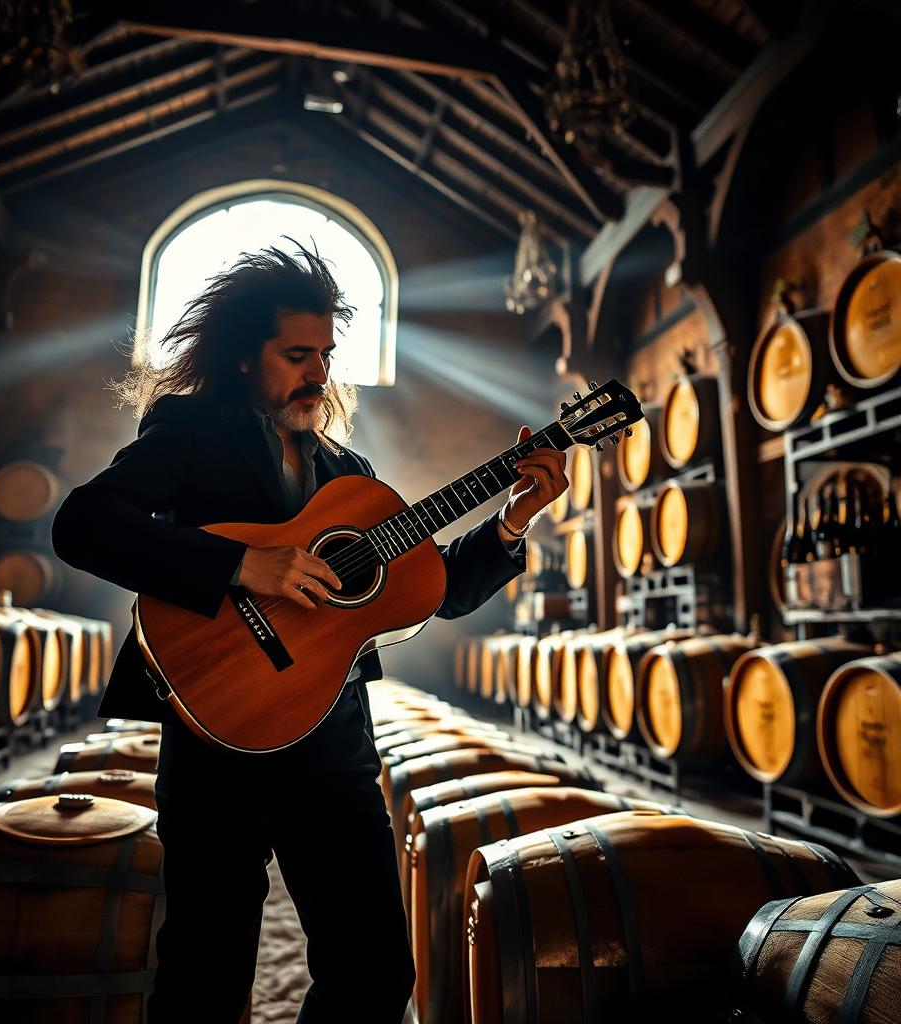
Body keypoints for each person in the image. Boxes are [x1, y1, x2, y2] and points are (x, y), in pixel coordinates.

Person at [51, 243, 569, 1023]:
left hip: (334, 744)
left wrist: (513, 519)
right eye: (297, 355)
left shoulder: (347, 472)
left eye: (326, 354)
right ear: (240, 358)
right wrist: (240, 564)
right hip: (219, 737)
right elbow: (83, 524)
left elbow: (436, 591)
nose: (319, 373)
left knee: (374, 974)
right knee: (204, 979)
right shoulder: (192, 431)